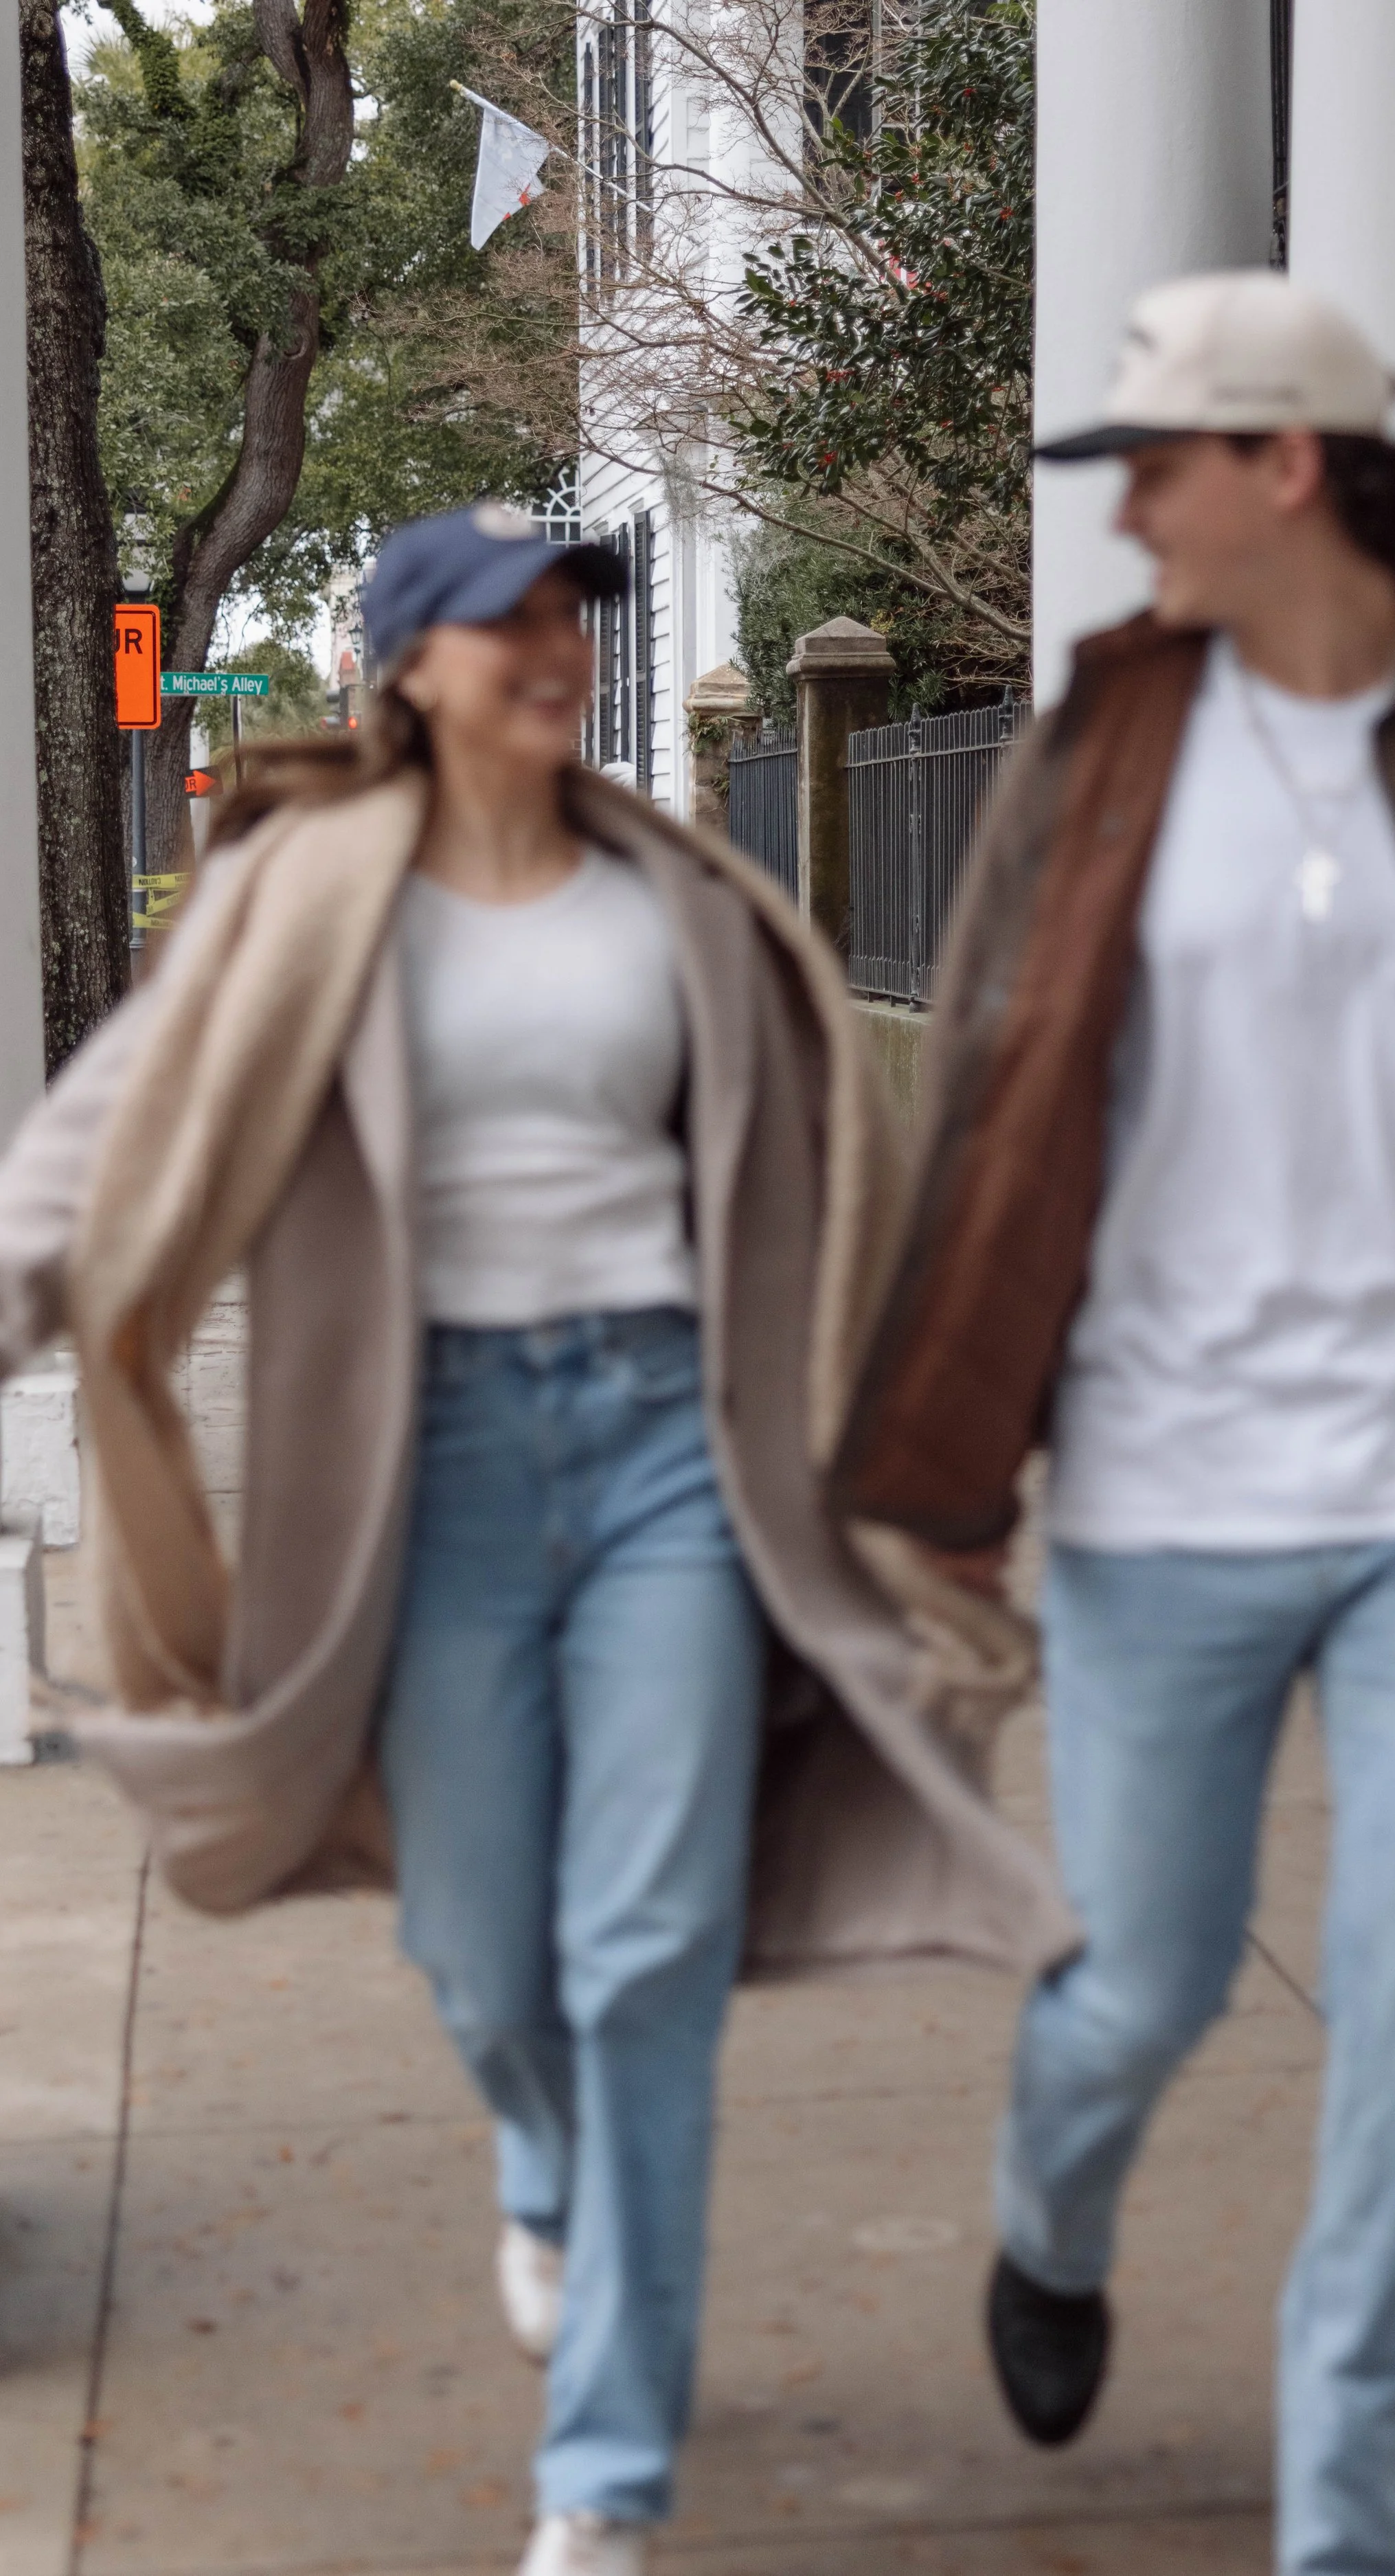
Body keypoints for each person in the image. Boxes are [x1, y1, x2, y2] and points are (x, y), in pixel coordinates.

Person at [0, 504, 1074, 2576]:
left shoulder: (678, 892)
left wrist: (941, 1463)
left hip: (673, 1446)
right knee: (491, 1951)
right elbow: (102, 1146)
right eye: (505, 621)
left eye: (571, 610)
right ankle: (540, 2161)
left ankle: (604, 2469)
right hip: (439, 1468)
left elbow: (854, 1192)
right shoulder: (309, 896)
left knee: (649, 1943)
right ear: (409, 664)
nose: (552, 647)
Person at [833, 271, 1395, 2576]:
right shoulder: (1096, 749)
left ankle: (1352, 2530)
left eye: (1151, 465)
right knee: (1142, 1976)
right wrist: (942, 1460)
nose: (1122, 510)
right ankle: (1054, 2202)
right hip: (1163, 1482)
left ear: (1285, 467)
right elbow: (997, 1120)